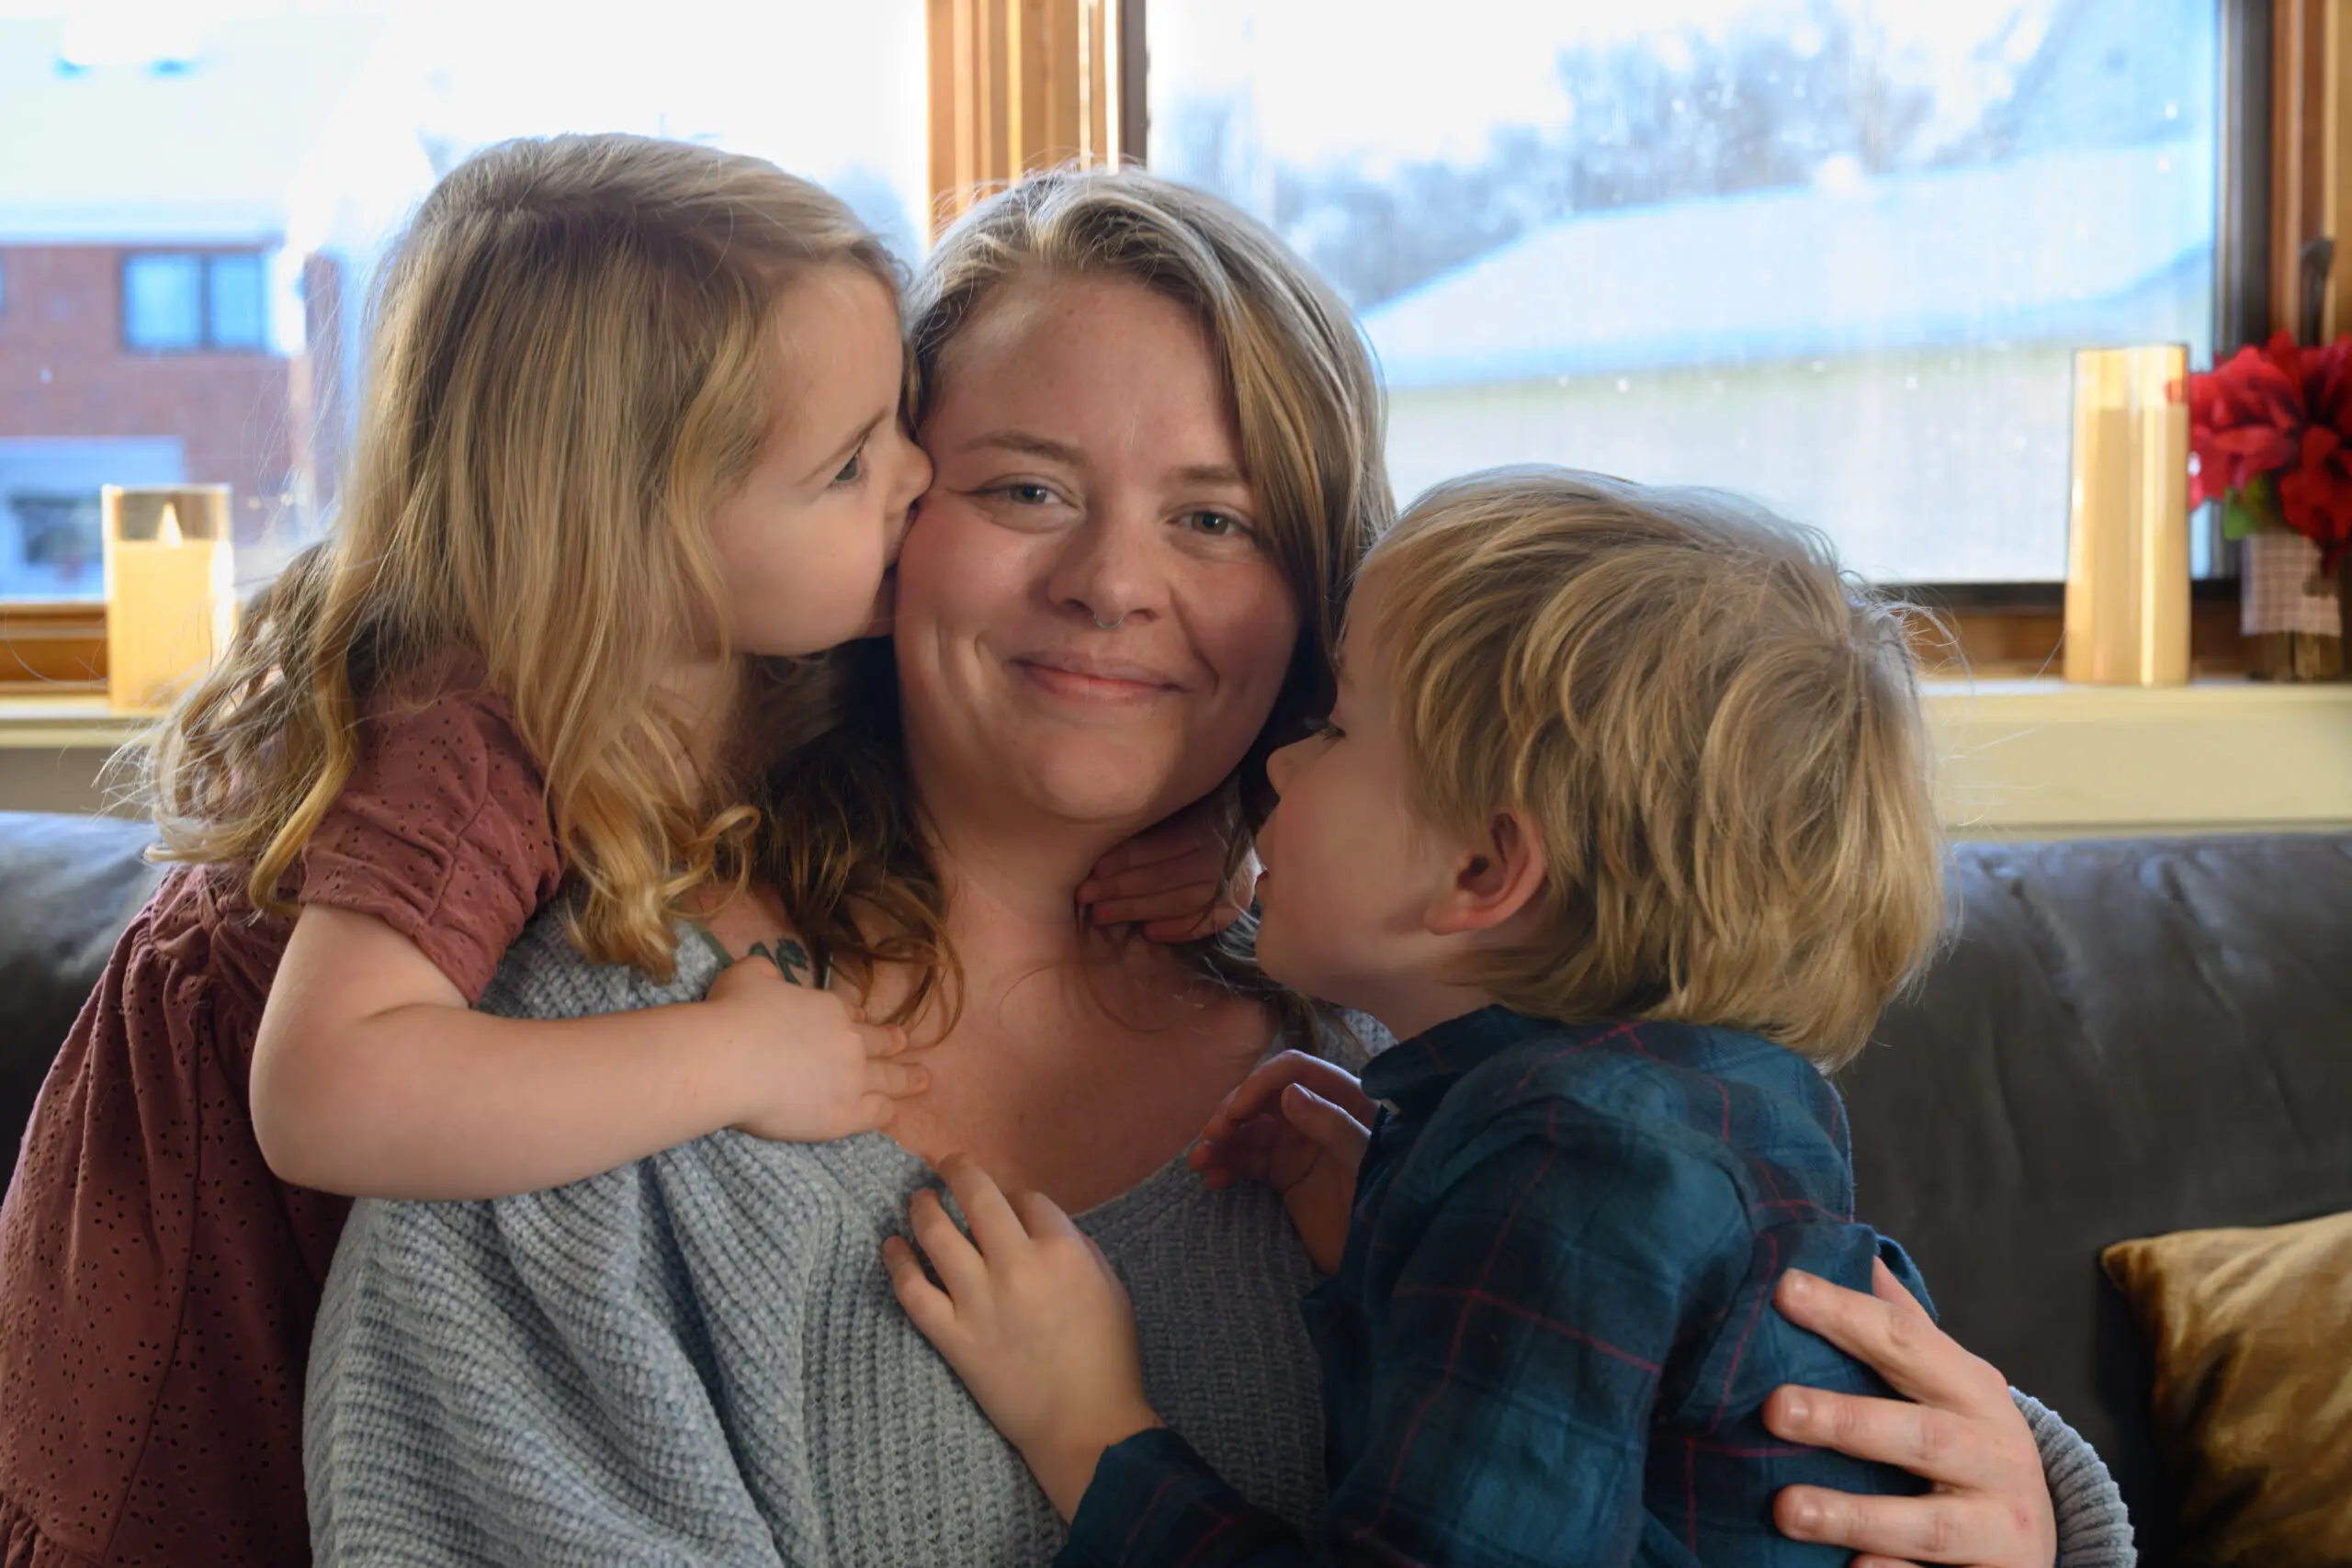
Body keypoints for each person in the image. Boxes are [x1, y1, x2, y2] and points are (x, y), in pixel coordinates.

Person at [304, 169, 2130, 1568]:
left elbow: (1723, 1367)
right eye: (1023, 488)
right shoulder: (572, 1069)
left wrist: (2022, 1511)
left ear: (1321, 607)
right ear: (872, 508)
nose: (1113, 582)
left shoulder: (1451, 1018)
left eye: (1213, 518)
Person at [0, 131, 934, 1568]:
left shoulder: (745, 653)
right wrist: (736, 1060)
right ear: (638, 533)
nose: (919, 476)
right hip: (200, 1290)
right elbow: (330, 1089)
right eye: (850, 462)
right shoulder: (462, 733)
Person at [888, 466, 1999, 1565]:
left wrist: (1087, 1428)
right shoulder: (1702, 1115)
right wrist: (1392, 1232)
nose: (1280, 761)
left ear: (1480, 869)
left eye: (1333, 730)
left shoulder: (1579, 1170)